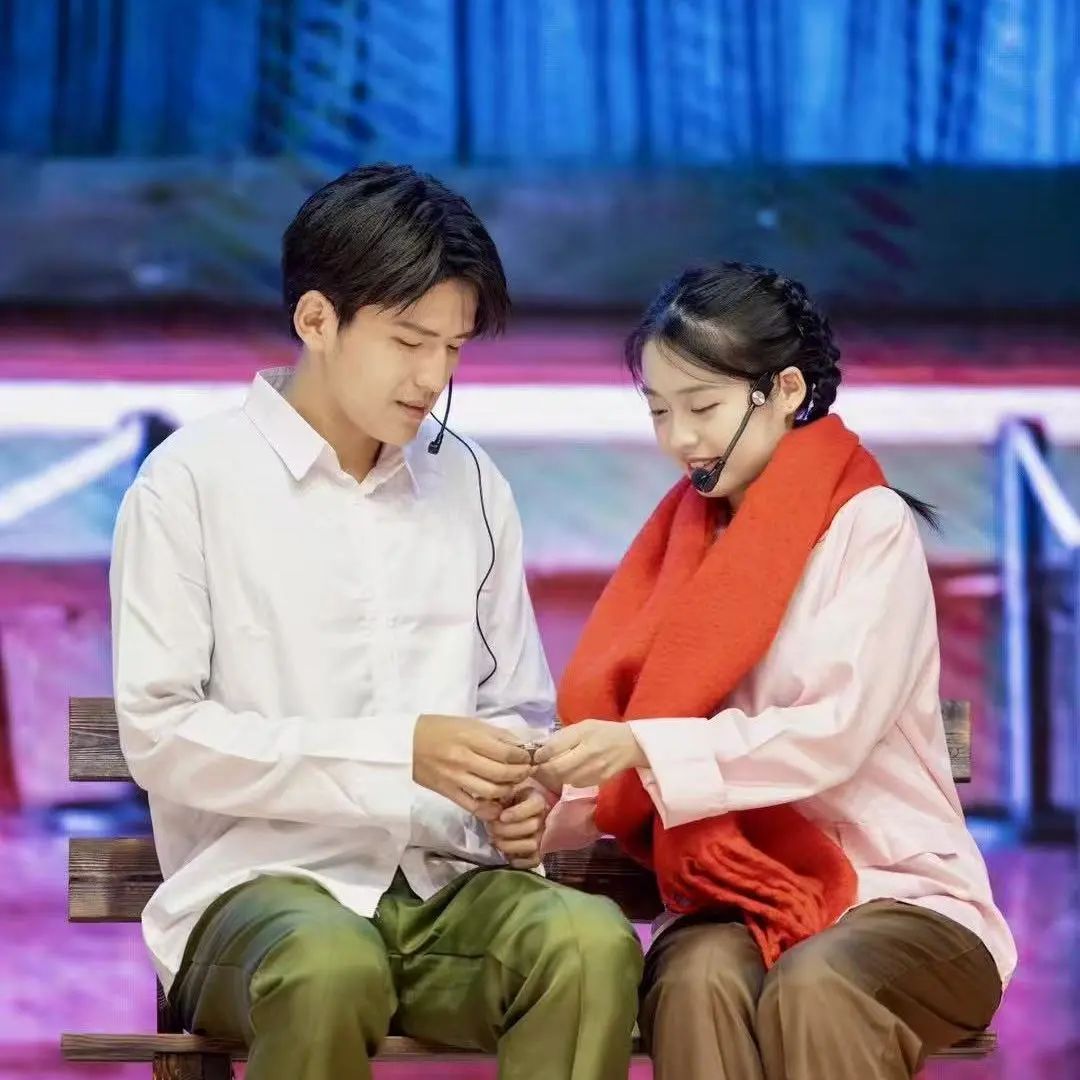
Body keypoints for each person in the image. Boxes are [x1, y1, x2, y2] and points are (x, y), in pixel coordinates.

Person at [110, 163, 642, 1080]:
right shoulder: (191, 484)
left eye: (455, 348)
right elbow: (162, 736)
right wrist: (400, 752)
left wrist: (520, 791)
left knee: (588, 944)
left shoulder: (470, 483)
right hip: (258, 894)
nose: (434, 377)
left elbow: (514, 706)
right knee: (328, 966)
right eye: (408, 341)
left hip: (446, 886)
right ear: (317, 320)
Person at [537, 263, 1016, 1080]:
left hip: (898, 891)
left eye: (703, 408)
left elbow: (832, 733)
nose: (680, 439)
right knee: (693, 983)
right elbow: (618, 733)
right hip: (732, 890)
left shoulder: (869, 527)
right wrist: (551, 799)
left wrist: (643, 749)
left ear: (786, 390)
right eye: (659, 411)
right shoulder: (680, 545)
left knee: (815, 986)